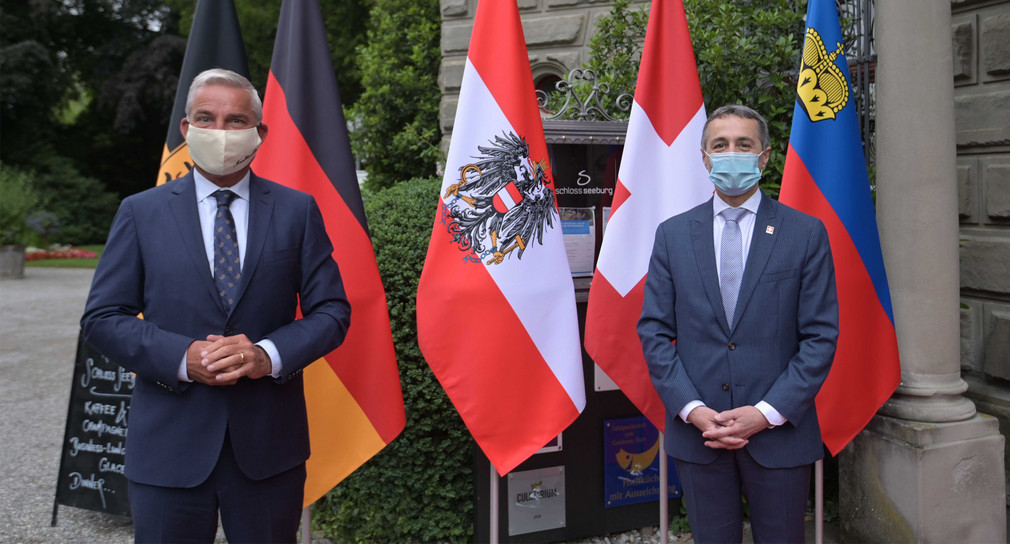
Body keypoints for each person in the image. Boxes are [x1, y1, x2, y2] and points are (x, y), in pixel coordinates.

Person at [81, 68, 351, 543]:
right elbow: (103, 318)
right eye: (206, 119)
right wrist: (180, 357)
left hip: (269, 447)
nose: (221, 132)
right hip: (168, 446)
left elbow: (332, 311)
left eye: (236, 120)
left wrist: (266, 354)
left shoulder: (297, 210)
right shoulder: (140, 212)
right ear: (186, 130)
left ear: (259, 133)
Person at [638, 104, 839, 543]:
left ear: (764, 156)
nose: (732, 153)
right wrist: (693, 410)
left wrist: (765, 414)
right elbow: (653, 331)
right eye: (720, 145)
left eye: (743, 144)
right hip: (700, 436)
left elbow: (820, 336)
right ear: (705, 158)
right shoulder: (673, 235)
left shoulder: (805, 233)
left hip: (780, 436)